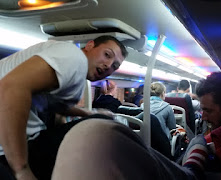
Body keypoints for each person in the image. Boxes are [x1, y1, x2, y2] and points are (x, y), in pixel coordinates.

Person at [51, 71, 221, 180]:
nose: (203, 115)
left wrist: (194, 149)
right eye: (201, 108)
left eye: (208, 110)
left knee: (96, 136)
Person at [0, 35, 128, 179]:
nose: (108, 65)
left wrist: (88, 113)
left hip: (14, 145)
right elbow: (12, 87)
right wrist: (21, 169)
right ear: (90, 45)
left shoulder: (71, 69)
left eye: (114, 66)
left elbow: (52, 104)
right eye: (107, 55)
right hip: (11, 149)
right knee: (103, 129)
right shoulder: (74, 57)